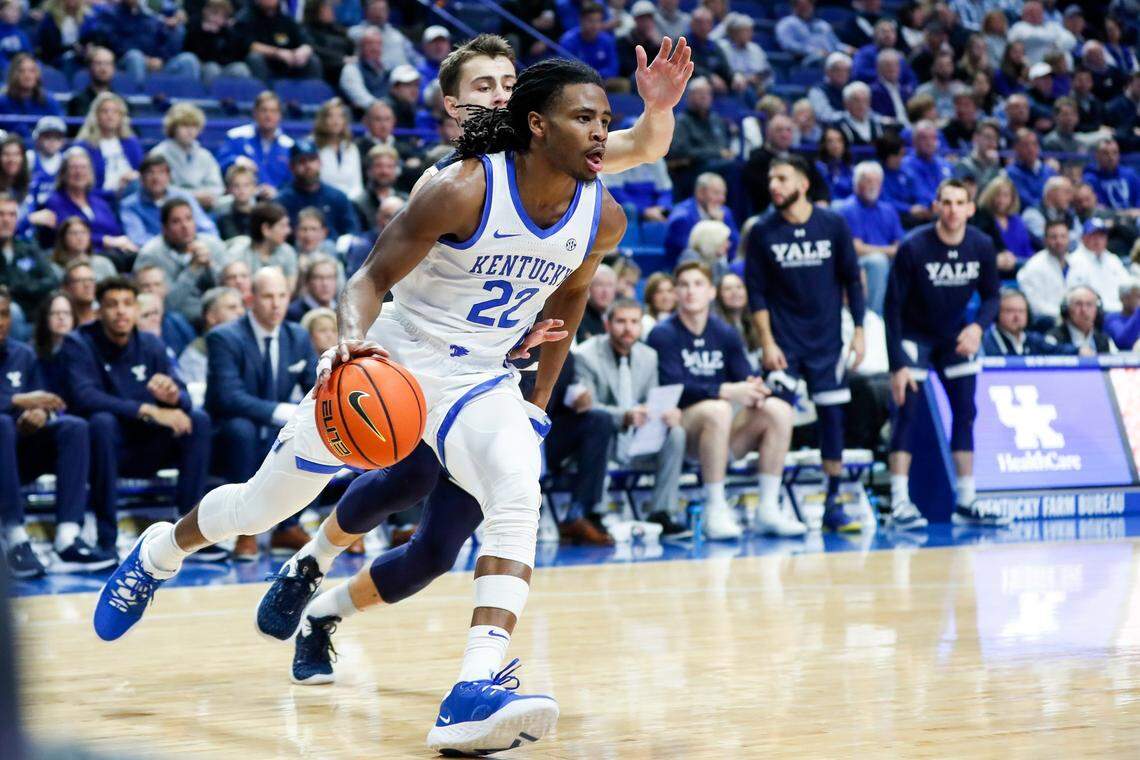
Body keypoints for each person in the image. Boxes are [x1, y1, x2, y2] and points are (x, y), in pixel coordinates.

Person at [93, 57, 632, 757]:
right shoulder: (462, 188)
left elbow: (574, 293)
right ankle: (160, 552)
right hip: (395, 360)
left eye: (607, 121)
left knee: (517, 490)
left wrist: (537, 401)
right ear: (538, 124)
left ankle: (474, 686)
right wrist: (351, 342)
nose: (601, 133)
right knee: (261, 507)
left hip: (477, 378)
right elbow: (368, 279)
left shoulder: (602, 216)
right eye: (584, 118)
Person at [746, 155, 868, 533]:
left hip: (827, 342)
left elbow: (852, 280)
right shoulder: (762, 231)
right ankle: (771, 502)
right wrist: (767, 342)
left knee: (833, 422)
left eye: (782, 178)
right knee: (775, 418)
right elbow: (756, 293)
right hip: (784, 344)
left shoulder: (833, 224)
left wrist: (859, 330)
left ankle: (833, 501)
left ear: (803, 184)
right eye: (771, 179)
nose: (774, 185)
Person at [884, 178, 1006, 529]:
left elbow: (992, 296)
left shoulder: (981, 245)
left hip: (955, 335)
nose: (953, 210)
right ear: (936, 207)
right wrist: (897, 364)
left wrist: (978, 327)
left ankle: (966, 501)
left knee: (966, 411)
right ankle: (899, 501)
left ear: (970, 208)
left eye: (959, 203)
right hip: (914, 334)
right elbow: (891, 307)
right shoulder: (913, 246)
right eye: (947, 203)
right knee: (906, 411)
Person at [650, 260, 798, 538]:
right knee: (717, 409)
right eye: (683, 285)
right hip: (680, 430)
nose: (690, 291)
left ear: (711, 292)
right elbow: (673, 387)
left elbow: (746, 377)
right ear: (676, 292)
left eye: (698, 284)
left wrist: (755, 389)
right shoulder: (663, 333)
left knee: (778, 409)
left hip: (723, 434)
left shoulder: (725, 333)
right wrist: (726, 391)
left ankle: (768, 508)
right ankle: (714, 508)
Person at [62, 276, 211, 552]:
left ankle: (190, 531)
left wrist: (173, 397)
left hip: (150, 445)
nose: (121, 311)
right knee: (102, 422)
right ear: (99, 310)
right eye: (112, 304)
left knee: (198, 421)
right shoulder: (79, 342)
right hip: (107, 449)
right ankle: (106, 537)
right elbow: (84, 396)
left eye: (127, 304)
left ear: (135, 309)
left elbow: (185, 397)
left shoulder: (151, 344)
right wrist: (148, 410)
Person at [0, 286, 111, 579]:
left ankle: (68, 536)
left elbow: (44, 402)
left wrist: (40, 413)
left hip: (17, 456)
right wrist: (15, 401)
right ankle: (14, 537)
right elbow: (21, 401)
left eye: (4, 314)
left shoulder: (22, 354)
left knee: (74, 427)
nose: (0, 321)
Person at [206, 267, 317, 561]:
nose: (276, 304)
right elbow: (228, 397)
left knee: (309, 430)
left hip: (274, 428)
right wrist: (279, 411)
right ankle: (246, 531)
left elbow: (316, 387)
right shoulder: (224, 337)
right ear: (250, 299)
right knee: (242, 430)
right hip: (228, 428)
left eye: (282, 296)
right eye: (268, 296)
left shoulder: (297, 336)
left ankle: (288, 527)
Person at [574, 297, 688, 537]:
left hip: (638, 440)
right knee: (602, 426)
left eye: (634, 322)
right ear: (607, 324)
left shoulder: (649, 356)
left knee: (676, 433)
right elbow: (587, 410)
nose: (628, 328)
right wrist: (624, 417)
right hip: (603, 442)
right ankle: (596, 513)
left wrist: (666, 413)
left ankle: (662, 512)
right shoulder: (586, 355)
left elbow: (652, 401)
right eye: (621, 321)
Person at [133, 198, 224, 326]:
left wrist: (210, 266)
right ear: (164, 228)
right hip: (177, 321)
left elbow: (228, 289)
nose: (185, 226)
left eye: (189, 219)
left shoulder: (213, 245)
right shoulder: (150, 256)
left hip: (217, 315)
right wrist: (193, 269)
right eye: (176, 221)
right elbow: (166, 305)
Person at [40, 148, 136, 264]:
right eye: (74, 167)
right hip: (76, 258)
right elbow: (67, 235)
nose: (79, 172)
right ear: (63, 173)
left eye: (83, 167)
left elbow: (116, 232)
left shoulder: (99, 202)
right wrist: (105, 241)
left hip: (113, 255)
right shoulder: (55, 202)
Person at [836, 161, 904, 315]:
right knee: (878, 262)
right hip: (858, 263)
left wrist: (891, 251)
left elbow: (899, 244)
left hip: (887, 259)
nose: (873, 185)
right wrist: (889, 251)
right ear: (857, 184)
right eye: (868, 181)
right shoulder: (847, 209)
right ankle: (874, 316)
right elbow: (856, 249)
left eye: (877, 181)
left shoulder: (888, 209)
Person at [82, 0, 198, 84]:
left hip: (155, 64)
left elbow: (162, 40)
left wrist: (161, 59)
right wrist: (145, 59)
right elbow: (115, 43)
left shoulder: (150, 15)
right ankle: (138, 99)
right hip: (124, 63)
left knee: (188, 60)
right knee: (135, 57)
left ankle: (187, 101)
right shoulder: (111, 14)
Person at [119, 154, 219, 249]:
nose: (156, 178)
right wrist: (172, 245)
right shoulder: (129, 205)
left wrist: (204, 245)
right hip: (157, 253)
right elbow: (138, 238)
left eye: (161, 172)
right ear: (141, 178)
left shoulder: (183, 196)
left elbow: (206, 227)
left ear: (169, 176)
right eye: (150, 173)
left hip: (193, 247)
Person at [276, 139, 359, 239]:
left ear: (320, 163)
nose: (308, 166)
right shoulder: (282, 201)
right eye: (302, 161)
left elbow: (352, 233)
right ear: (291, 167)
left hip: (333, 247)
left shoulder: (337, 197)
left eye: (312, 160)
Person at [151, 103, 225, 212]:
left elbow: (217, 186)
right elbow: (159, 189)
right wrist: (193, 196)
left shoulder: (205, 155)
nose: (190, 131)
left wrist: (208, 195)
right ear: (173, 128)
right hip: (170, 209)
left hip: (204, 208)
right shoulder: (159, 154)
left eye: (194, 126)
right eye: (184, 126)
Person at [217, 92, 294, 192]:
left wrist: (277, 193)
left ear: (280, 115)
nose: (268, 115)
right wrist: (235, 160)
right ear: (255, 113)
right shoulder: (236, 136)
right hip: (242, 197)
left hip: (278, 199)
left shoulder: (289, 146)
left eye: (273, 111)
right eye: (264, 110)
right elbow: (218, 163)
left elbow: (293, 182)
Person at [178, 286, 245, 396]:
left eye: (241, 306)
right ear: (211, 317)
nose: (241, 312)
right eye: (232, 308)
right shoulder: (194, 356)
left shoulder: (250, 345)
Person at [0, 194, 56, 322]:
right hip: (6, 316)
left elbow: (52, 280)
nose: (6, 220)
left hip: (34, 314)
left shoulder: (29, 249)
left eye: (12, 215)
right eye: (1, 214)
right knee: (13, 310)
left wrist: (21, 287)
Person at [234, 0, 321, 82]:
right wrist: (278, 53)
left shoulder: (285, 18)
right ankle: (263, 91)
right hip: (266, 63)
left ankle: (315, 91)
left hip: (289, 62)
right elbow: (250, 45)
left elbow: (306, 40)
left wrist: (303, 50)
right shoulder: (246, 17)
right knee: (255, 58)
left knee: (312, 59)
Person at [74, 92, 142, 196]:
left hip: (131, 195)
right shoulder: (84, 146)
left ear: (121, 116)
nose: (110, 115)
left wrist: (135, 176)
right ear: (96, 116)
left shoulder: (131, 143)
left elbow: (141, 170)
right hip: (99, 197)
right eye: (104, 111)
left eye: (115, 112)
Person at [664, 171, 738, 264]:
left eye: (723, 194)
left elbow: (735, 248)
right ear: (700, 193)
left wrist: (720, 223)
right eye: (716, 193)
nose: (722, 199)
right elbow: (691, 254)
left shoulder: (725, 213)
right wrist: (717, 224)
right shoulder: (682, 218)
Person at [222, 202, 299, 288]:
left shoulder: (287, 252)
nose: (288, 231)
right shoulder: (237, 255)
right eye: (282, 226)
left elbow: (290, 288)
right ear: (265, 229)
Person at [981, 288, 1075, 355]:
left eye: (1021, 311)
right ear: (997, 313)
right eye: (1010, 311)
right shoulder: (986, 341)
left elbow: (1058, 350)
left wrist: (1078, 350)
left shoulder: (1033, 340)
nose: (1016, 316)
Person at [1018, 219, 1078, 324]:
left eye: (1063, 236)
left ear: (1068, 239)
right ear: (1045, 240)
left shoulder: (1077, 263)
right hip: (1048, 321)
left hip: (1074, 318)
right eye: (1054, 237)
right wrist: (1065, 315)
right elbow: (1036, 306)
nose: (1059, 241)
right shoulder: (1033, 267)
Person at [182, 0, 253, 85]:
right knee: (212, 68)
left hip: (223, 67)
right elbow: (191, 52)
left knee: (241, 68)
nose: (217, 18)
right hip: (202, 67)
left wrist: (228, 31)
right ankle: (208, 93)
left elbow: (236, 54)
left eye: (222, 16)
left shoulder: (228, 32)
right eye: (214, 13)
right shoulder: (195, 27)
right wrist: (207, 34)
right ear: (205, 11)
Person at [1068, 217, 1130, 313]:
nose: (1098, 240)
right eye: (1093, 235)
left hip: (1119, 310)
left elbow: (1127, 285)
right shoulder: (1073, 261)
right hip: (1093, 313)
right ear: (1083, 238)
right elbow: (1075, 295)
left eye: (1101, 236)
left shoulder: (1113, 259)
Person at [134, 265, 196, 356]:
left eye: (157, 284)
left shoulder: (177, 320)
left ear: (165, 288)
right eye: (146, 286)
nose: (152, 290)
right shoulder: (131, 322)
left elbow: (194, 351)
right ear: (136, 289)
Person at [311, 99, 364, 203]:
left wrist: (349, 201)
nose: (336, 121)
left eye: (340, 116)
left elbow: (357, 185)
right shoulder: (312, 146)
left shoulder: (351, 148)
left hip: (350, 202)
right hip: (321, 201)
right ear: (322, 120)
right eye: (330, 116)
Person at [0, 54, 63, 136]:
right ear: (14, 75)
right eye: (21, 71)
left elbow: (60, 127)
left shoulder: (49, 101)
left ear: (37, 74)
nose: (27, 75)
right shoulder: (3, 103)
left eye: (32, 71)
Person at [1046, 285, 1116, 353]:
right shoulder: (1053, 339)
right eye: (1078, 304)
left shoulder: (1105, 340)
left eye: (1089, 304)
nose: (1084, 310)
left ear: (1097, 310)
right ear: (1066, 309)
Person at [559, 2, 619, 80]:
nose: (595, 25)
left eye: (598, 21)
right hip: (577, 81)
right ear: (581, 20)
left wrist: (595, 76)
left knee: (622, 84)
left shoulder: (607, 40)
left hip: (602, 80)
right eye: (590, 21)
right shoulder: (568, 40)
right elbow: (565, 69)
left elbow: (613, 69)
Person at [777, 0, 848, 64]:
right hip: (805, 59)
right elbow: (788, 45)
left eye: (808, 5)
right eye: (802, 6)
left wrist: (846, 49)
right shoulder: (786, 23)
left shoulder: (822, 24)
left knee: (849, 59)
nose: (806, 9)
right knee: (825, 59)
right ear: (794, 7)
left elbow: (835, 44)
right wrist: (813, 51)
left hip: (831, 58)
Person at [1083, 137, 1140, 213]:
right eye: (1106, 153)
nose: (1111, 157)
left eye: (1115, 153)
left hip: (1134, 216)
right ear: (1096, 155)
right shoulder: (1090, 180)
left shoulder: (1130, 174)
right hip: (1106, 218)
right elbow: (1097, 207)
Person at [339, 27, 389, 112]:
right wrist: (383, 107)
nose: (375, 48)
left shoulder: (386, 69)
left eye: (378, 44)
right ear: (360, 47)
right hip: (364, 116)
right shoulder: (351, 69)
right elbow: (362, 99)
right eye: (370, 43)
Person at [1006, 128, 1057, 210]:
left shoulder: (1049, 171)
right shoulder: (1012, 173)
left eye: (1034, 144)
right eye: (1025, 145)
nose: (1031, 149)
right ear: (1016, 148)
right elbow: (1026, 201)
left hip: (1051, 212)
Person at [286, 255, 338, 323]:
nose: (325, 284)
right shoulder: (293, 313)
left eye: (330, 277)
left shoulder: (341, 310)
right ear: (307, 282)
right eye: (318, 278)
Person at [214, 164, 257, 241]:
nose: (242, 190)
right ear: (229, 189)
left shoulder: (261, 214)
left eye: (246, 185)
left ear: (254, 187)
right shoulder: (224, 218)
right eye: (236, 186)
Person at [808, 52, 852, 125]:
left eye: (846, 70)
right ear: (828, 71)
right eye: (837, 70)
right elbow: (825, 117)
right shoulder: (817, 90)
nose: (842, 74)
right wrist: (851, 116)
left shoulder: (851, 89)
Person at [815, 126, 854, 202]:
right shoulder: (818, 167)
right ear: (824, 144)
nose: (835, 145)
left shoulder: (851, 167)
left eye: (839, 140)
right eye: (830, 141)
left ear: (844, 143)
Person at [1105, 279, 1140, 352]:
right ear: (1122, 298)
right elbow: (1123, 342)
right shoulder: (1112, 319)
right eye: (1136, 296)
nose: (1138, 300)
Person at [60, 259, 96, 324]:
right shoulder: (62, 322)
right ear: (66, 288)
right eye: (80, 280)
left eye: (91, 280)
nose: (87, 284)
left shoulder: (104, 320)